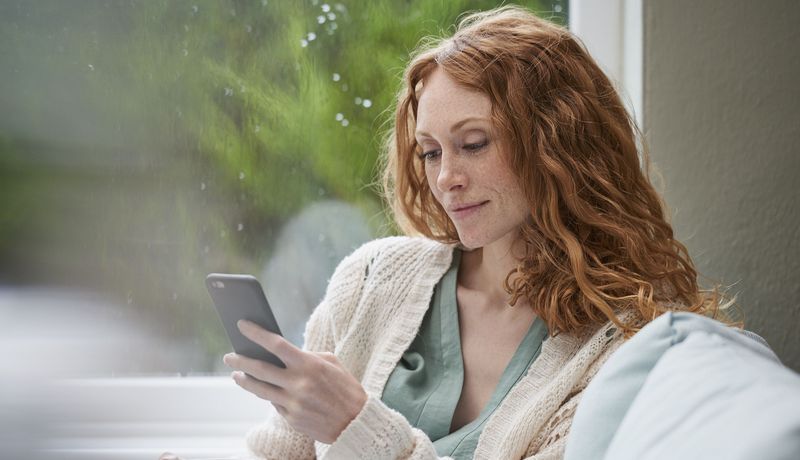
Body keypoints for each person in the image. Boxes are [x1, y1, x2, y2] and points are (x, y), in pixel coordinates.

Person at [163, 5, 726, 460]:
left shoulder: (621, 345)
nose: (446, 179)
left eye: (474, 143)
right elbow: (281, 456)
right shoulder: (372, 280)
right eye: (430, 152)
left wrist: (357, 426)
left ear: (560, 144)